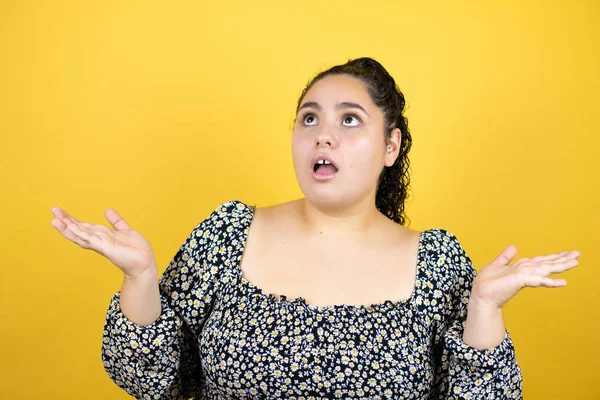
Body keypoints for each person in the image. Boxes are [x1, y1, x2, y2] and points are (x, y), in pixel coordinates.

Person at [51, 57, 580, 400]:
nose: (323, 136)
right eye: (309, 119)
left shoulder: (438, 263)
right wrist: (140, 277)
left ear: (391, 147)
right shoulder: (226, 235)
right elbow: (151, 379)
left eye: (349, 120)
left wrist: (483, 310)